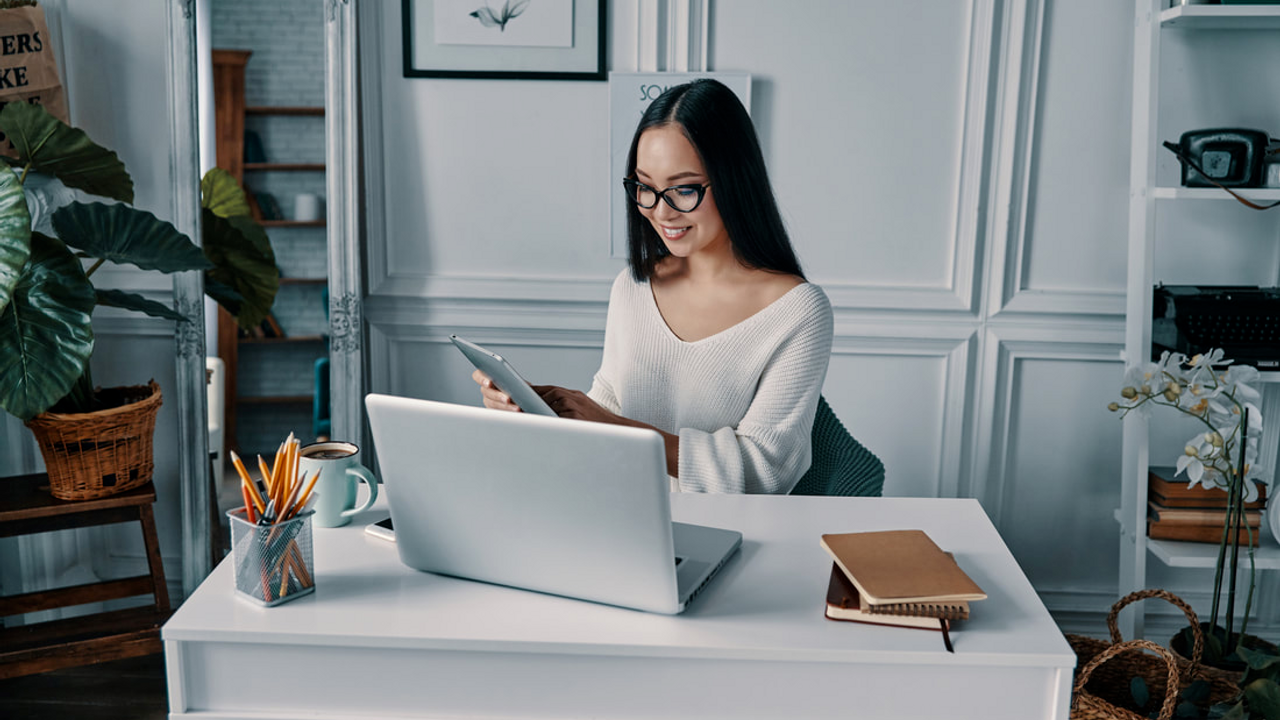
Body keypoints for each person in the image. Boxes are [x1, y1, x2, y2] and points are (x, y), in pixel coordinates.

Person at [474, 78, 833, 494]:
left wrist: (618, 428)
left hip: (729, 532)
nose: (660, 211)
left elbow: (764, 472)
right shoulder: (633, 285)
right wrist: (543, 411)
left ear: (736, 180)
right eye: (645, 187)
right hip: (617, 511)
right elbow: (608, 402)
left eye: (683, 189)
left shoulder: (798, 311)